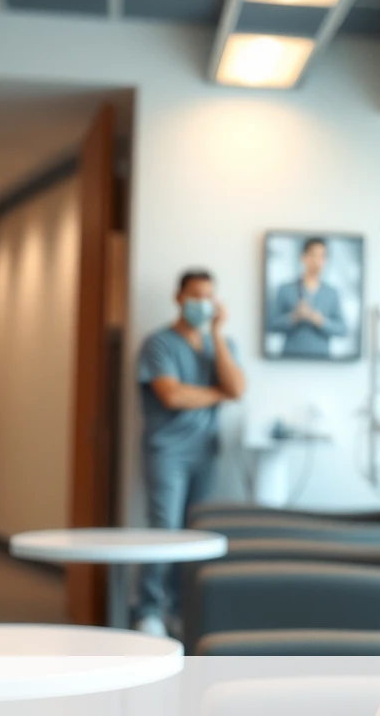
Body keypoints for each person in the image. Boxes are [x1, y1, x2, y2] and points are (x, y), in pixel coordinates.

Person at [134, 269, 245, 636]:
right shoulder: (158, 344)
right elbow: (173, 395)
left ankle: (181, 610)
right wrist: (215, 395)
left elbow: (237, 388)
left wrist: (216, 333)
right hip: (167, 451)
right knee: (164, 530)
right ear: (178, 297)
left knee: (197, 534)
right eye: (195, 295)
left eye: (208, 297)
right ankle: (149, 609)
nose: (202, 304)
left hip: (206, 452)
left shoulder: (221, 346)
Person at [269, 237, 347, 358]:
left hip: (323, 361)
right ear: (303, 257)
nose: (317, 262)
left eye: (322, 257)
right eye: (313, 255)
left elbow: (342, 329)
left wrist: (320, 320)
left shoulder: (332, 293)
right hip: (289, 361)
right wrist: (294, 317)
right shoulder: (285, 289)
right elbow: (271, 325)